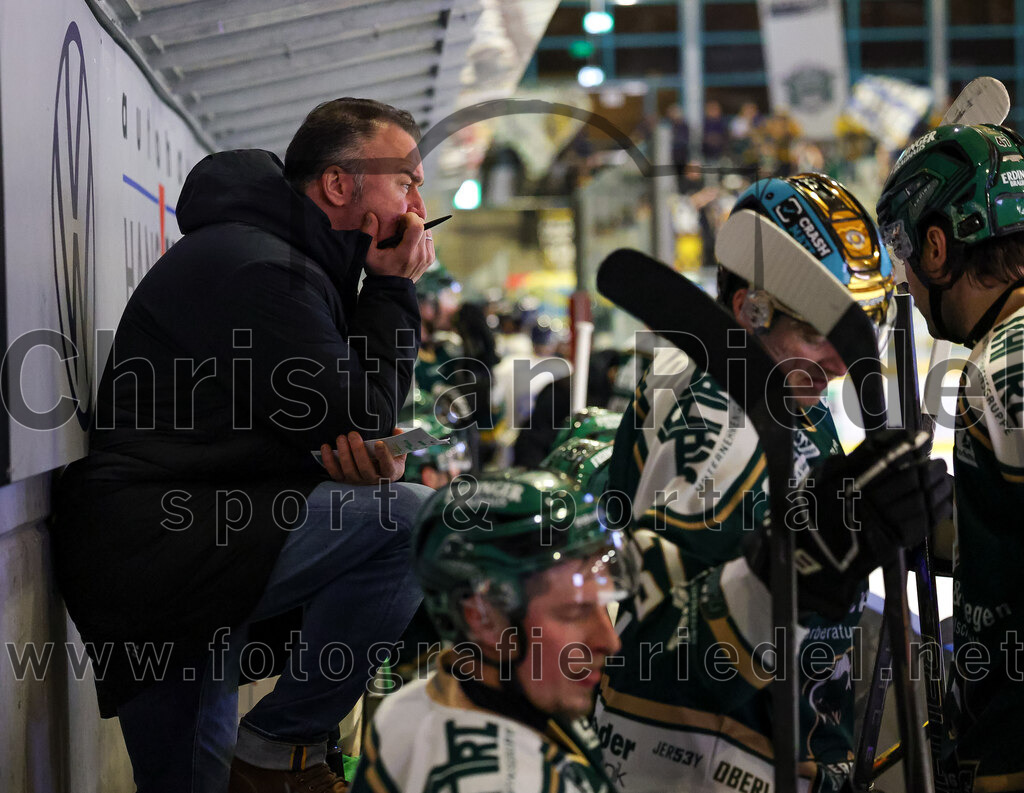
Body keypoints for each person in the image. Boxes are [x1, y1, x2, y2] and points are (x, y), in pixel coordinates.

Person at [51, 98, 438, 793]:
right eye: (406, 181)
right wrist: (390, 288)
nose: (418, 204)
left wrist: (354, 447)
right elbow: (364, 417)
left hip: (198, 536)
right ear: (338, 185)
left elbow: (351, 426)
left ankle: (277, 750)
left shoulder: (291, 261)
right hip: (165, 548)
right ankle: (278, 746)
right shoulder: (262, 268)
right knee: (409, 519)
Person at [595, 173, 952, 792]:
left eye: (859, 328)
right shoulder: (713, 412)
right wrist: (813, 561)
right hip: (711, 764)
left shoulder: (780, 387)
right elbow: (665, 653)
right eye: (817, 334)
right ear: (748, 309)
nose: (840, 363)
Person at [877, 122, 1024, 792]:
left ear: (938, 248)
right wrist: (950, 534)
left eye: (905, 252)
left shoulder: (1006, 363)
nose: (905, 281)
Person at [350, 468, 639, 792]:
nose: (609, 642)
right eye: (575, 612)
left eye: (602, 606)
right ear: (482, 617)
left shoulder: (411, 703)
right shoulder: (502, 783)